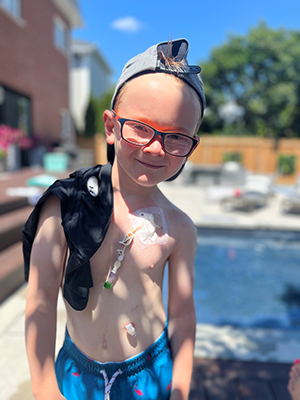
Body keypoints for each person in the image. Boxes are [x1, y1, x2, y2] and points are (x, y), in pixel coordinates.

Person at [23, 38, 205, 400]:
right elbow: (41, 300)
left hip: (149, 374)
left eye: (176, 137)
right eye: (140, 127)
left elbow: (182, 316)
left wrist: (181, 389)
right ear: (111, 126)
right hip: (78, 373)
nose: (156, 148)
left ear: (191, 146)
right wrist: (45, 389)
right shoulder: (67, 206)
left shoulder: (179, 228)